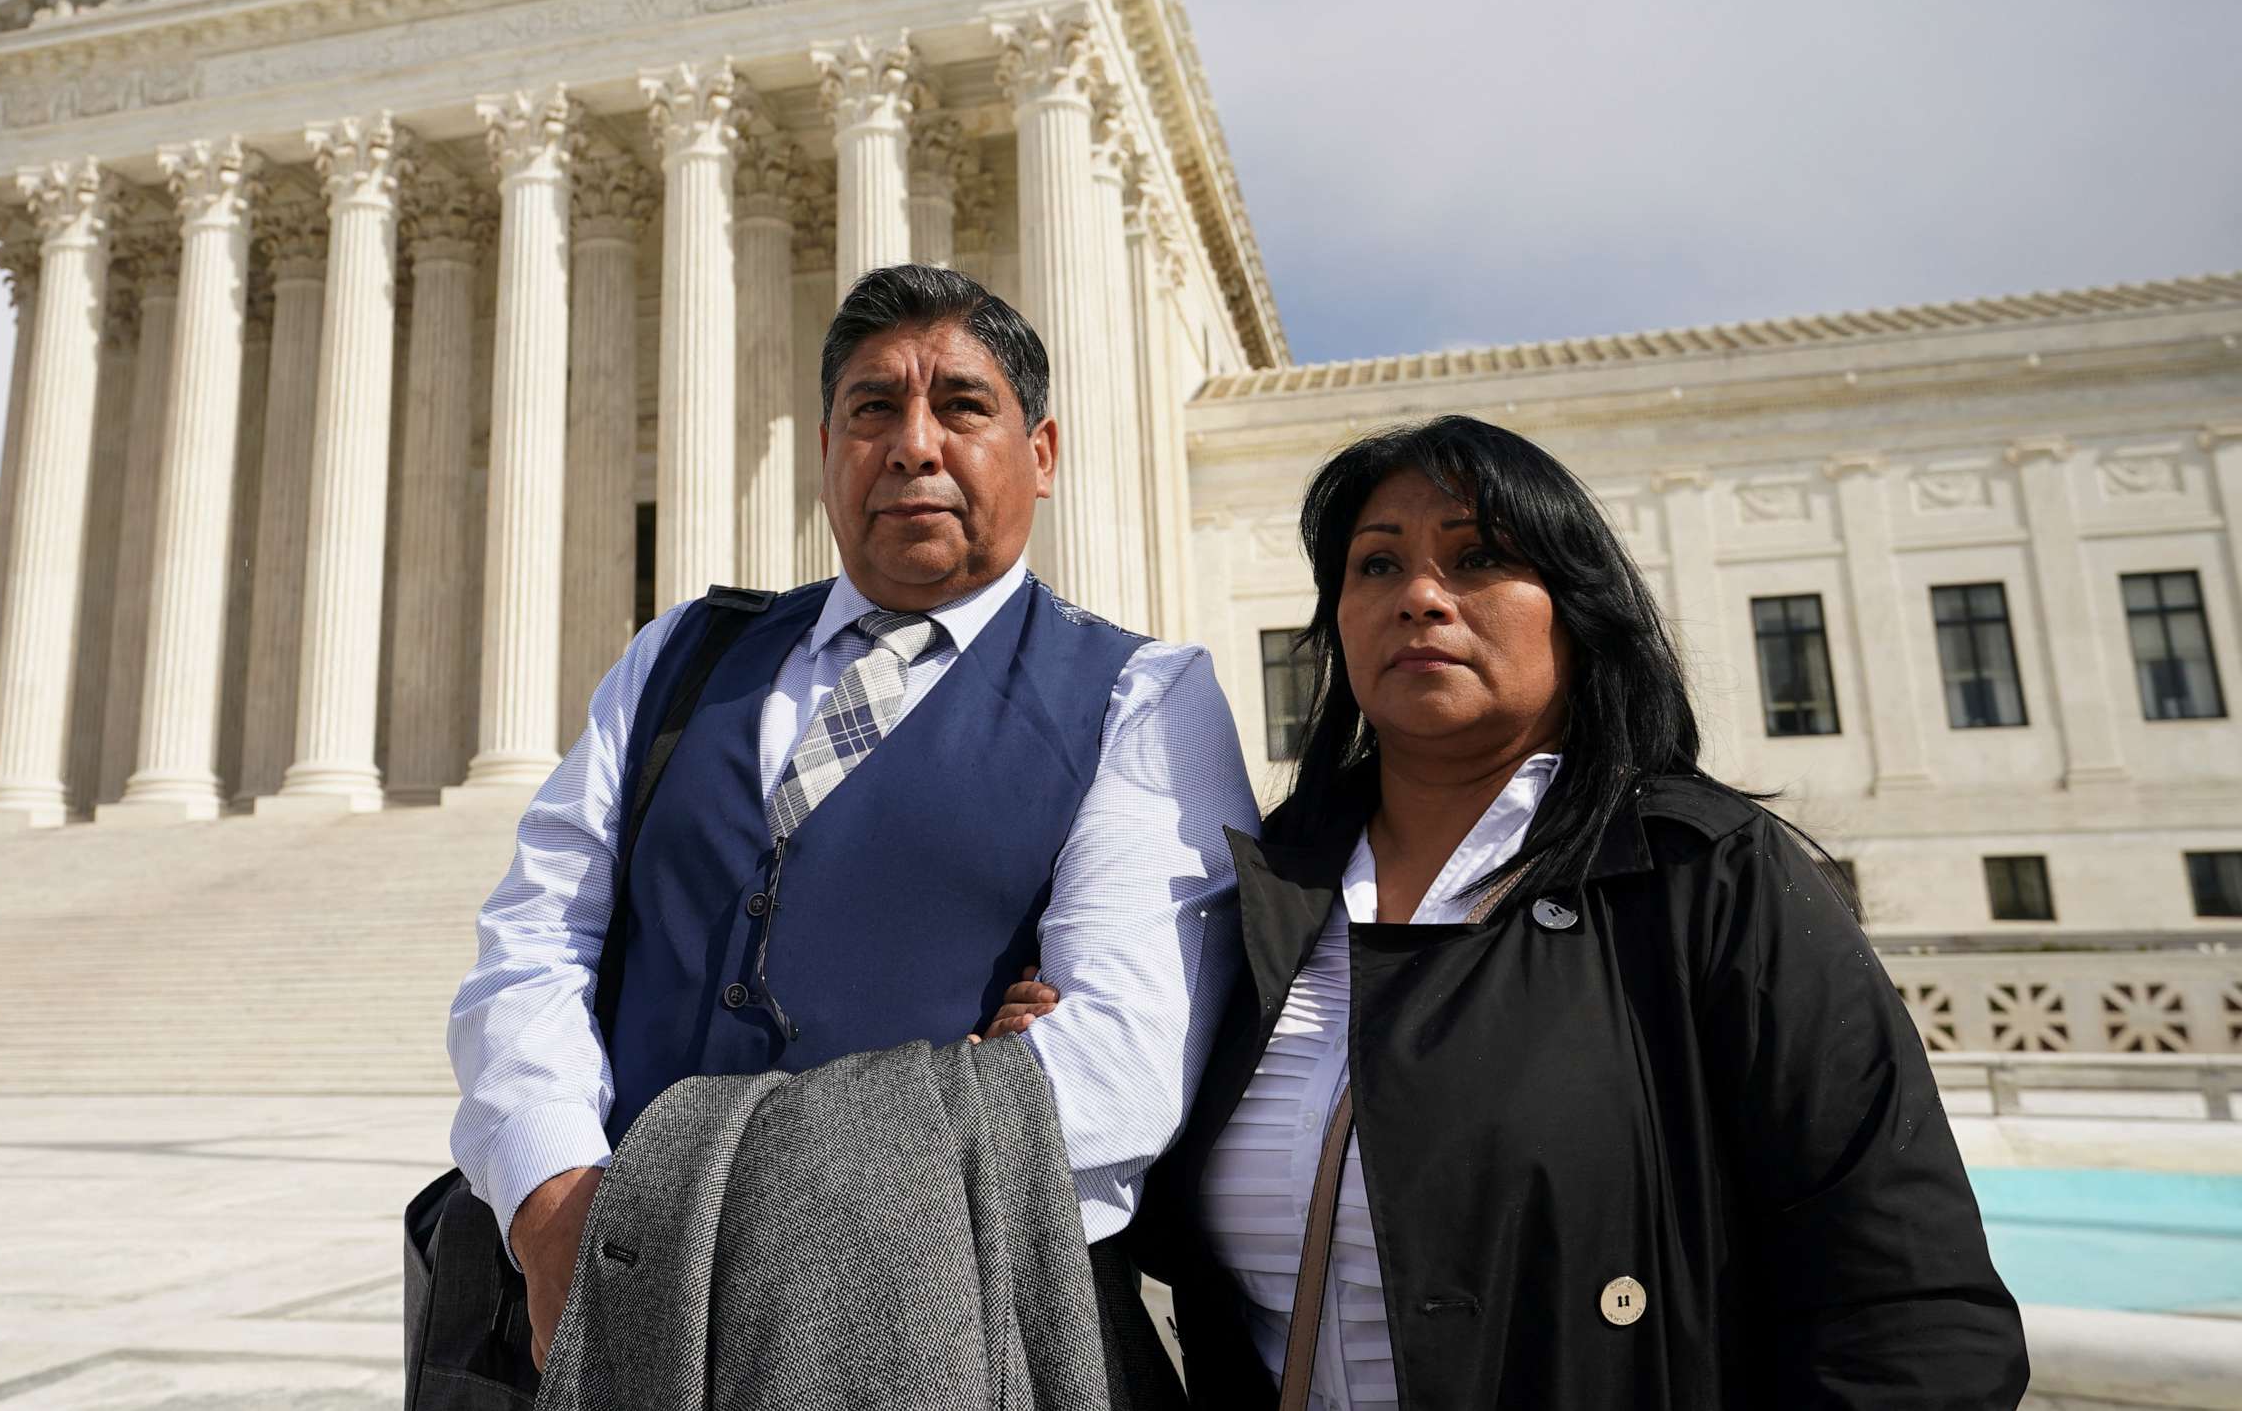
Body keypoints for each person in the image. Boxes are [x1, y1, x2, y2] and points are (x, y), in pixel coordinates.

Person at [993, 414, 2028, 1409]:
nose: (1422, 597)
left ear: (1576, 607)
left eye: (1479, 555)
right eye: (1378, 564)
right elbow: (1174, 1223)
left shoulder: (1699, 874)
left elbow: (1908, 1301)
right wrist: (1060, 1060)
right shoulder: (1263, 888)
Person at [447, 263, 1257, 1396]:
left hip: (939, 1339)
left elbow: (1114, 1069)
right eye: (874, 408)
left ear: (1044, 451)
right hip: (603, 1306)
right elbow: (533, 941)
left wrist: (725, 1229)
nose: (913, 444)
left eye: (963, 406)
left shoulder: (1141, 695)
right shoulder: (681, 656)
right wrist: (551, 1201)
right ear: (828, 446)